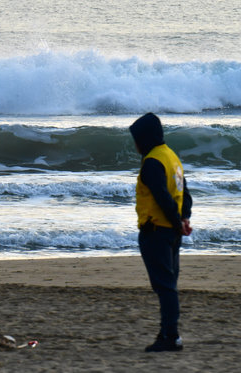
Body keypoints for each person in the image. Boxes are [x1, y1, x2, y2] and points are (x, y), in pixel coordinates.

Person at [129, 113, 193, 352]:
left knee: (165, 287)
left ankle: (171, 336)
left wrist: (178, 223)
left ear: (145, 138)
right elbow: (184, 194)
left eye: (136, 139)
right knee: (168, 285)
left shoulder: (152, 162)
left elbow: (164, 198)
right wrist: (184, 219)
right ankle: (167, 332)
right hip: (171, 232)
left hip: (156, 231)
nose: (135, 145)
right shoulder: (171, 158)